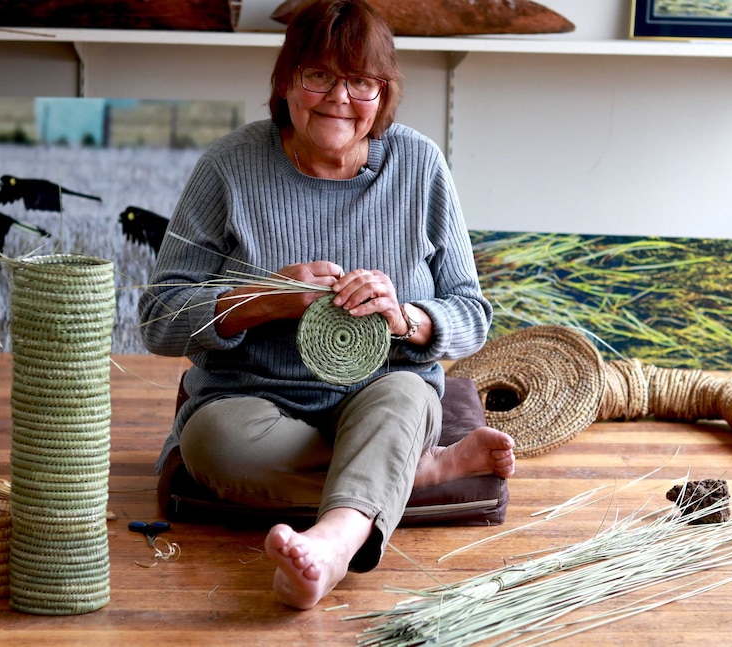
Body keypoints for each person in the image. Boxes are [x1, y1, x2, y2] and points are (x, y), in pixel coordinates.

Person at [138, 0, 515, 610]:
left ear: (383, 93)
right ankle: (414, 473)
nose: (340, 97)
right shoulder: (228, 168)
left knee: (401, 401)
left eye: (361, 81)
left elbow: (472, 313)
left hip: (383, 390)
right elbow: (157, 318)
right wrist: (261, 300)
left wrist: (407, 317)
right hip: (254, 400)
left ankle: (331, 550)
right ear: (286, 81)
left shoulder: (418, 165)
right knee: (212, 444)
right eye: (319, 75)